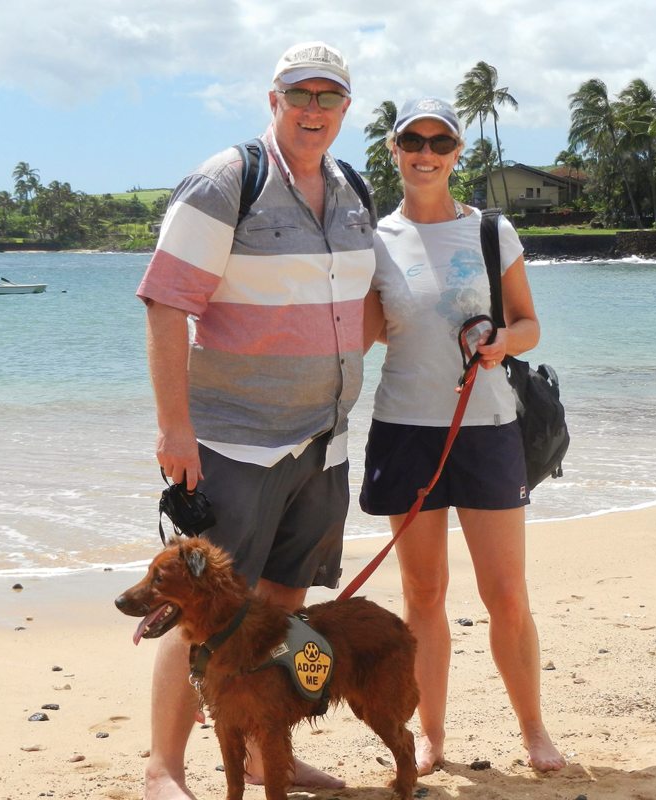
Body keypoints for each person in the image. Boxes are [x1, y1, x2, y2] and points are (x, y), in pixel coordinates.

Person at [136, 42, 376, 800]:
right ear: (274, 100)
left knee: (280, 607)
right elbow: (167, 304)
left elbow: (361, 305)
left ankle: (267, 759)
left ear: (345, 107)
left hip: (323, 441)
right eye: (298, 94)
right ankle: (162, 771)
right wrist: (175, 429)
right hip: (233, 443)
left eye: (328, 96)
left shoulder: (351, 187)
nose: (313, 108)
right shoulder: (225, 183)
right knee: (201, 614)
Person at [360, 97, 565, 775]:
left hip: (488, 428)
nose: (425, 153)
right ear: (394, 150)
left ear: (455, 155)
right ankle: (432, 737)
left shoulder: (491, 230)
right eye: (412, 140)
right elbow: (357, 336)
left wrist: (504, 343)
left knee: (505, 594)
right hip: (403, 429)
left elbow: (529, 324)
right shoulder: (374, 239)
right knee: (422, 594)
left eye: (439, 142)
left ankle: (533, 729)